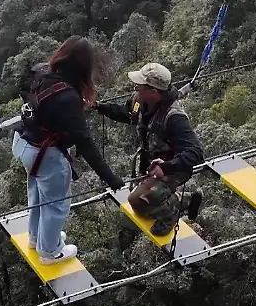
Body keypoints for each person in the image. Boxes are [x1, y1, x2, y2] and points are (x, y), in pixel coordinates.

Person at [12, 36, 126, 265]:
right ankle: (50, 250)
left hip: (24, 144)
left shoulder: (42, 74)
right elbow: (85, 142)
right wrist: (112, 179)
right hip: (46, 156)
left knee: (37, 195)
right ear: (84, 68)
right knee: (55, 204)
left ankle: (37, 238)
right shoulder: (68, 98)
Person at [95, 62, 204, 237]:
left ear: (153, 91)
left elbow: (196, 152)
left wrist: (167, 167)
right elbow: (126, 114)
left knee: (137, 201)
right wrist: (98, 106)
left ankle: (171, 215)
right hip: (151, 162)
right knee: (140, 198)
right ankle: (187, 200)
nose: (135, 88)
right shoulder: (140, 102)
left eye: (139, 86)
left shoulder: (174, 117)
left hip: (173, 167)